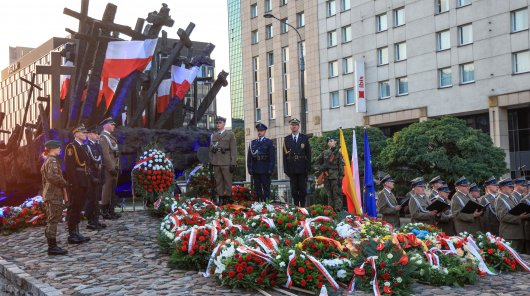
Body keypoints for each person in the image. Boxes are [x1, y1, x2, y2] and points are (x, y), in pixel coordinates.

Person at [41, 140, 69, 255]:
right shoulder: (52, 160)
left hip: (50, 193)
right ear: (52, 149)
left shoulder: (47, 160)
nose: (60, 149)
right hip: (54, 194)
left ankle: (52, 245)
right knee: (53, 220)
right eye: (58, 148)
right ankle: (52, 247)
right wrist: (66, 183)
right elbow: (54, 177)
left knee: (51, 219)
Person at [65, 125, 91, 244]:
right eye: (82, 132)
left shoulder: (83, 146)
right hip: (76, 182)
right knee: (74, 207)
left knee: (79, 207)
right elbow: (70, 168)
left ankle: (77, 232)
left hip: (83, 180)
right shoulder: (71, 147)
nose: (85, 134)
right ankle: (72, 234)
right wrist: (73, 183)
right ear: (76, 134)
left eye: (85, 132)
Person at [283, 118, 311, 207]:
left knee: (303, 189)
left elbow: (308, 153)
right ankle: (295, 207)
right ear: (290, 127)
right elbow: (284, 156)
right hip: (292, 167)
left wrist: (308, 167)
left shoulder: (304, 138)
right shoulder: (286, 139)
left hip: (302, 167)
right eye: (292, 125)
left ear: (298, 126)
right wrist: (286, 169)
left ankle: (302, 207)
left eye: (295, 125)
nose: (294, 126)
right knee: (294, 190)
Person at [209, 116, 237, 204]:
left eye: (220, 123)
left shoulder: (230, 134)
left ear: (224, 124)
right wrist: (211, 161)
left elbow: (233, 149)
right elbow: (210, 150)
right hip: (216, 161)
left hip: (226, 161)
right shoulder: (213, 135)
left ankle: (228, 198)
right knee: (218, 181)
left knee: (227, 180)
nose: (218, 124)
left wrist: (233, 162)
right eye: (217, 123)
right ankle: (221, 198)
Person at [495, 178, 527, 253]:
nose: (512, 188)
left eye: (512, 187)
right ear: (502, 188)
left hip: (517, 233)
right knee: (511, 256)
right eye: (509, 187)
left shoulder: (511, 198)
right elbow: (503, 217)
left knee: (519, 256)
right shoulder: (500, 199)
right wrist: (520, 217)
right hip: (509, 234)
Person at [247, 123, 276, 202]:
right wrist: (249, 168)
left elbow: (272, 157)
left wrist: (271, 169)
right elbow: (249, 157)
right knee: (257, 188)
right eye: (258, 131)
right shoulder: (253, 143)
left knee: (266, 187)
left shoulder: (269, 142)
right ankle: (259, 204)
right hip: (255, 168)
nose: (259, 132)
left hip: (265, 168)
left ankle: (267, 204)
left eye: (261, 131)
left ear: (265, 131)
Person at [314, 136, 344, 212]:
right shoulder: (324, 153)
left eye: (331, 141)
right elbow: (316, 163)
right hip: (326, 176)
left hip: (335, 176)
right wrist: (321, 169)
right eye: (328, 141)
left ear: (335, 142)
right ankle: (330, 211)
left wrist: (341, 177)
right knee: (329, 195)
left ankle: (338, 211)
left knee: (336, 194)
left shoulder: (339, 153)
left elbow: (341, 166)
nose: (330, 142)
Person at [85, 126, 106, 230]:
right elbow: (86, 165)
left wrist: (102, 176)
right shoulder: (86, 146)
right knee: (91, 199)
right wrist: (92, 177)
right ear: (89, 134)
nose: (97, 135)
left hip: (99, 176)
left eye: (98, 134)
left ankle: (96, 219)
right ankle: (90, 221)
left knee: (97, 199)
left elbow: (101, 162)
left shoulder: (98, 146)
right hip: (91, 178)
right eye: (95, 133)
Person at [99, 117, 121, 219]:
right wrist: (111, 168)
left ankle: (111, 211)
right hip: (109, 169)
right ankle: (105, 211)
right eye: (111, 124)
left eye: (113, 124)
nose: (113, 126)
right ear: (105, 125)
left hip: (114, 167)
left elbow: (115, 154)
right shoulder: (103, 137)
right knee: (107, 189)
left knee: (112, 190)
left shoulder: (110, 137)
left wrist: (117, 166)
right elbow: (106, 155)